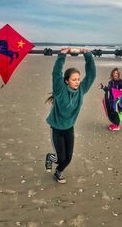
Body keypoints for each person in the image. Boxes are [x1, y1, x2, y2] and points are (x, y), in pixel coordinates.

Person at [45, 47, 96, 183]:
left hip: (69, 129)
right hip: (56, 129)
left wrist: (88, 55)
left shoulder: (81, 90)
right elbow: (56, 73)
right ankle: (51, 157)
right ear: (67, 80)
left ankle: (58, 172)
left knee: (68, 159)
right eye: (74, 79)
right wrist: (62, 55)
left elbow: (91, 75)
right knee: (60, 158)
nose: (77, 82)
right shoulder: (60, 90)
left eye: (78, 79)